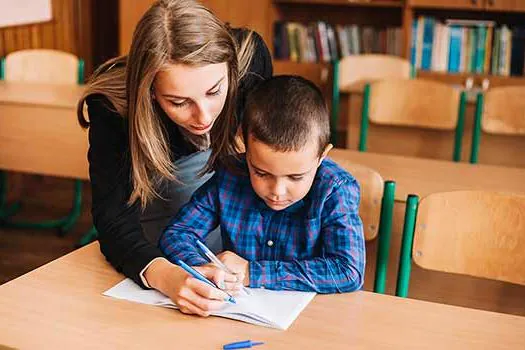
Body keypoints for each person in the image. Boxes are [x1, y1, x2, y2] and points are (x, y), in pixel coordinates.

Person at [76, 0, 272, 317]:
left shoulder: (251, 60)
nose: (204, 117)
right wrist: (167, 277)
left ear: (231, 70)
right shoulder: (114, 107)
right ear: (149, 90)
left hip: (228, 233)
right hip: (153, 235)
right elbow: (114, 221)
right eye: (179, 102)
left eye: (215, 91)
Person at [159, 75, 365, 306]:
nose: (277, 191)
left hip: (312, 321)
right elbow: (177, 234)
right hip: (241, 313)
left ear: (321, 156)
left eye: (296, 177)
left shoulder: (335, 191)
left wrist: (252, 272)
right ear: (245, 147)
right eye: (261, 173)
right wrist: (206, 268)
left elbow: (348, 271)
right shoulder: (231, 176)